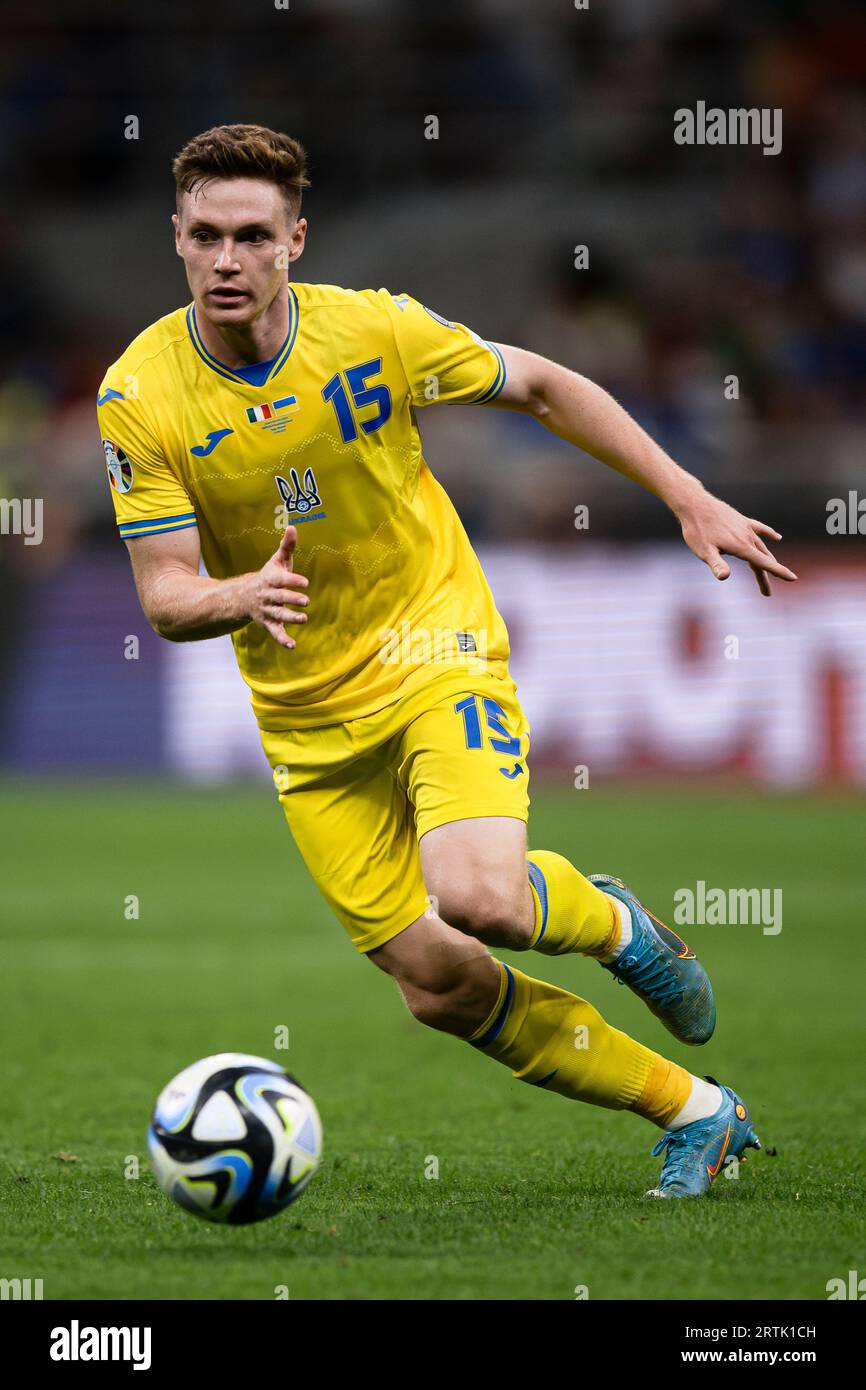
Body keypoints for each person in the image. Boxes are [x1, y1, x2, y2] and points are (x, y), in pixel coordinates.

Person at [98, 124, 796, 1198]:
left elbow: (545, 387)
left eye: (251, 235)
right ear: (177, 239)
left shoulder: (375, 330)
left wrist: (687, 496)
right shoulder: (137, 395)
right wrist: (233, 594)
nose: (226, 259)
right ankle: (697, 1112)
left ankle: (609, 921)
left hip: (433, 644)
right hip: (304, 720)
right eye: (204, 235)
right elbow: (166, 594)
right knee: (436, 984)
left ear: (295, 240)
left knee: (479, 899)